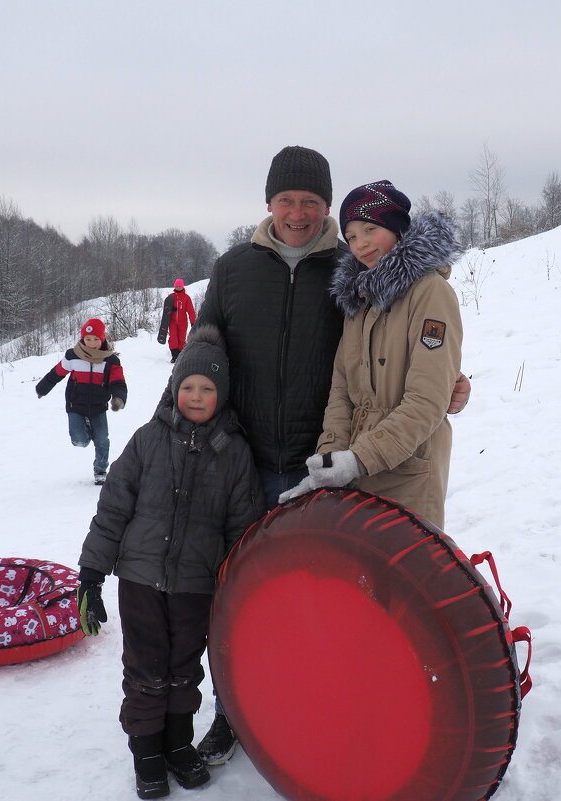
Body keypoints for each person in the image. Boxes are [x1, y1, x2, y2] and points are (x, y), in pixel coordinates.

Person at [191, 146, 471, 764]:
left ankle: (348, 715)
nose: (298, 213)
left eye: (312, 203)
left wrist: (450, 384)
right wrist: (187, 415)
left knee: (346, 602)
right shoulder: (236, 268)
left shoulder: (349, 273)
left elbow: (412, 373)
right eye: (287, 200)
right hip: (254, 462)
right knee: (244, 596)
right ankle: (233, 711)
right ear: (269, 202)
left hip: (350, 469)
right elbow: (204, 348)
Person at [75, 325, 263, 799]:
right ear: (174, 388)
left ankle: (178, 744)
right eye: (188, 388)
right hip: (139, 578)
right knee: (145, 668)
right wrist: (92, 575)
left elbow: (243, 530)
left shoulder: (236, 452)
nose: (196, 397)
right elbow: (114, 508)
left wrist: (240, 591)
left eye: (207, 389)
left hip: (196, 585)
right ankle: (146, 752)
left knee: (184, 667)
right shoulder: (147, 440)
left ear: (222, 395)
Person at [279, 180, 462, 528]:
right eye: (351, 236)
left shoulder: (430, 293)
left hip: (408, 473)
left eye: (370, 229)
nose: (360, 244)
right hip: (358, 471)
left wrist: (360, 458)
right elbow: (341, 388)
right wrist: (331, 456)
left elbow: (427, 399)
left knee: (402, 577)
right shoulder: (359, 298)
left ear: (396, 228)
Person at [36, 318, 127, 485]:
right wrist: (42, 388)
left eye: (96, 339)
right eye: (88, 339)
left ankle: (100, 470)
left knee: (102, 440)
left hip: (98, 408)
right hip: (75, 406)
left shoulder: (111, 361)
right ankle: (85, 429)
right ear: (82, 339)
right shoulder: (73, 356)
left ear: (103, 339)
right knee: (79, 441)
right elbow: (56, 373)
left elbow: (118, 382)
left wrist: (119, 398)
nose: (92, 343)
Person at [157, 279, 197, 363]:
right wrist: (171, 309)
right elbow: (166, 310)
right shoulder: (171, 297)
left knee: (181, 339)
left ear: (182, 286)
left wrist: (193, 322)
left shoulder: (186, 297)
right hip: (172, 322)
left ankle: (180, 355)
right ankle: (174, 356)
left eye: (180, 286)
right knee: (173, 339)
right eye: (177, 286)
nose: (178, 287)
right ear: (174, 286)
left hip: (183, 322)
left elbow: (191, 310)